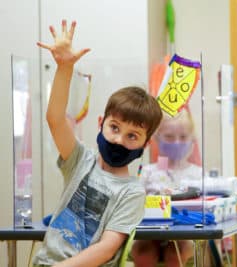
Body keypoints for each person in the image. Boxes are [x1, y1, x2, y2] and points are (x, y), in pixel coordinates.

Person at [33, 20, 162, 266]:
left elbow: (105, 249)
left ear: (146, 144)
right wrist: (65, 68)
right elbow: (55, 119)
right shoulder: (81, 160)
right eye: (114, 128)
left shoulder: (132, 192)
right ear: (101, 122)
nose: (119, 140)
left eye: (132, 136)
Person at [131, 108, 201, 266]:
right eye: (169, 137)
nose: (176, 142)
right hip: (150, 232)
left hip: (184, 234)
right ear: (156, 138)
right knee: (143, 253)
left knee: (177, 253)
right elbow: (135, 201)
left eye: (183, 137)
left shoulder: (197, 175)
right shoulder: (149, 172)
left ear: (192, 139)